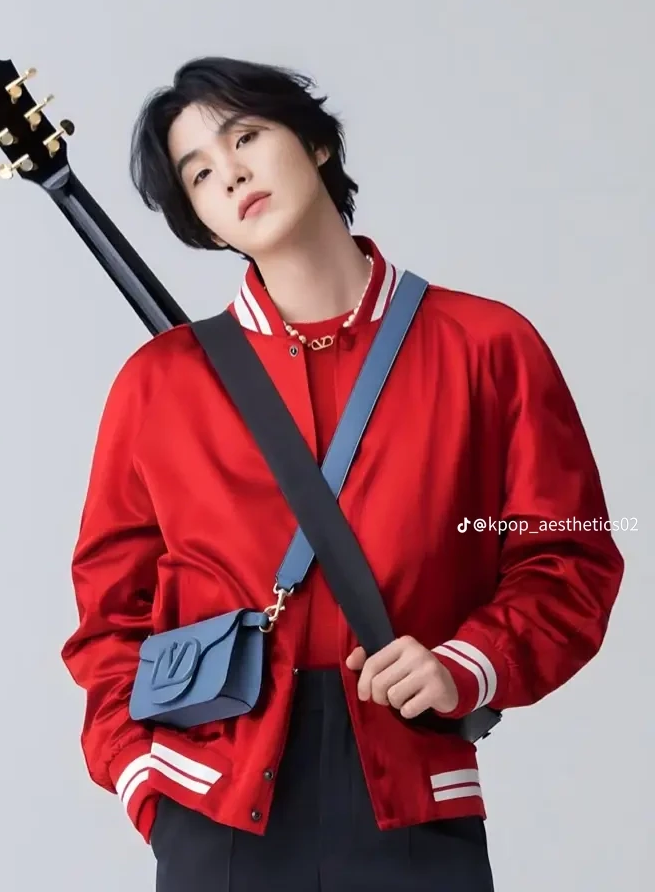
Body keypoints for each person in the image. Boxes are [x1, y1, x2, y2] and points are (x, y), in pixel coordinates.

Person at [60, 55, 624, 891]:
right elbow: (110, 616)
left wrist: (466, 664)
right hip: (217, 806)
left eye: (246, 136)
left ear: (316, 142)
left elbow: (570, 557)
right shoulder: (158, 384)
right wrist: (143, 780)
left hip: (413, 795)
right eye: (200, 173)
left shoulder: (486, 345)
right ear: (200, 219)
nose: (232, 174)